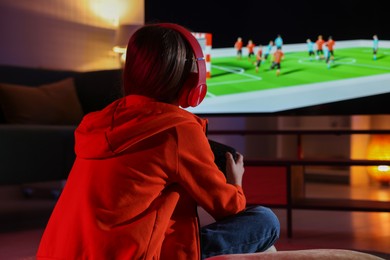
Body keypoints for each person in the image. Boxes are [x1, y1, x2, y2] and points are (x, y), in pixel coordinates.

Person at [36, 23, 280, 260]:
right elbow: (228, 208)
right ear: (193, 78)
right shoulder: (178, 130)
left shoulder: (95, 123)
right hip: (135, 255)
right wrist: (235, 181)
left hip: (58, 253)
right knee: (265, 221)